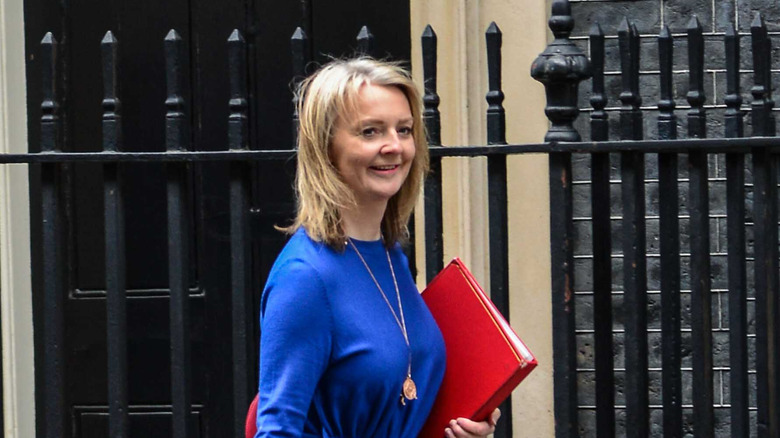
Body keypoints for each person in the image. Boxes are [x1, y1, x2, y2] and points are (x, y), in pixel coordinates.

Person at [255, 57, 500, 437]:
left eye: (404, 130)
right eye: (370, 132)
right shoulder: (305, 277)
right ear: (326, 148)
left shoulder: (390, 256)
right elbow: (277, 430)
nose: (394, 146)